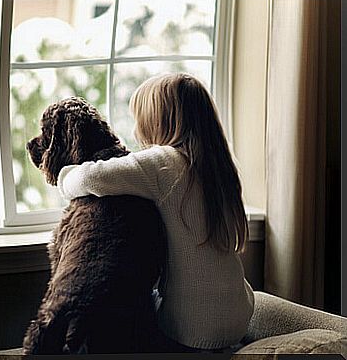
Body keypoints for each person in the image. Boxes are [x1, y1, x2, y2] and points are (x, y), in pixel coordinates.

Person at [57, 73, 254, 352]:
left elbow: (89, 179)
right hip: (238, 316)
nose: (136, 131)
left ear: (158, 121)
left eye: (139, 119)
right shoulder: (220, 167)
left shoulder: (163, 163)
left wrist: (62, 174)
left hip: (191, 329)